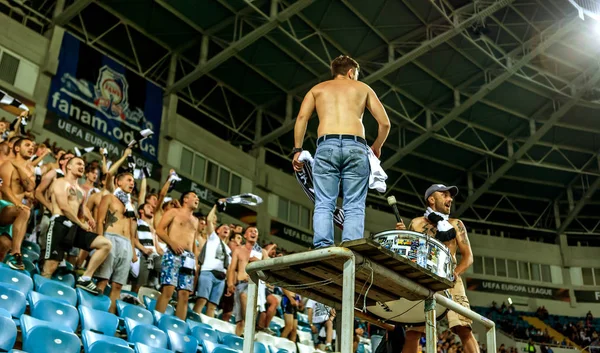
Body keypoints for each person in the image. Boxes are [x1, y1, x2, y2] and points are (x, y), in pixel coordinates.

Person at [292, 55, 391, 248]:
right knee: (354, 205)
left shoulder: (317, 89)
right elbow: (385, 123)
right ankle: (351, 248)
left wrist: (297, 149)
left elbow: (302, 118)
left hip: (326, 146)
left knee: (324, 203)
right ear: (351, 72)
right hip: (355, 146)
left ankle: (322, 247)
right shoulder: (363, 88)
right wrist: (376, 146)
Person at [400, 184, 477, 353]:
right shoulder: (417, 223)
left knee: (464, 328)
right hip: (423, 279)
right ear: (432, 199)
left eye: (450, 196)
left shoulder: (456, 224)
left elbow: (468, 257)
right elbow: (409, 252)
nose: (450, 199)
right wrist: (402, 235)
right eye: (445, 195)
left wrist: (455, 273)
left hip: (450, 279)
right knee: (413, 331)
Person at [41, 157, 112, 294]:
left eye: (84, 165)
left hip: (75, 227)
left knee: (105, 244)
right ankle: (41, 295)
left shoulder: (81, 191)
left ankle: (85, 278)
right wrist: (81, 223)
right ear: (69, 166)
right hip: (60, 224)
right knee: (50, 267)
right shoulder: (60, 182)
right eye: (79, 163)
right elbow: (64, 206)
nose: (82, 166)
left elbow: (82, 208)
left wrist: (89, 218)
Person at [95, 170, 138, 313]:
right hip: (110, 238)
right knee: (103, 280)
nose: (132, 183)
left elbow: (132, 231)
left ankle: (109, 318)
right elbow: (99, 221)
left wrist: (132, 250)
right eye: (128, 180)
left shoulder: (131, 206)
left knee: (118, 286)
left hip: (126, 244)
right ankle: (93, 313)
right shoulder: (108, 198)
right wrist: (100, 242)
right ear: (118, 182)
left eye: (133, 181)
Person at [155, 191, 201, 320]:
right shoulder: (173, 212)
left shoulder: (196, 220)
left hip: (189, 258)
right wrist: (172, 243)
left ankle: (178, 327)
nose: (197, 199)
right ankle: (157, 320)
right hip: (172, 253)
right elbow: (159, 230)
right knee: (168, 290)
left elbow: (194, 242)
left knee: (185, 295)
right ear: (185, 199)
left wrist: (195, 261)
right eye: (194, 196)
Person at [0, 138, 35, 269]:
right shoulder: (7, 164)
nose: (31, 148)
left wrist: (20, 167)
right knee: (25, 211)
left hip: (15, 215)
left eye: (32, 146)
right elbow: (3, 187)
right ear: (17, 148)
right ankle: (16, 252)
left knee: (3, 247)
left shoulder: (30, 170)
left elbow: (30, 187)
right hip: (3, 206)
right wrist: (17, 203)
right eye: (27, 145)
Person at [226, 226, 266, 336]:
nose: (253, 233)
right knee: (239, 321)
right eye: (251, 231)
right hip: (240, 284)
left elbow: (269, 270)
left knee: (244, 296)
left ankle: (251, 326)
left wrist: (259, 261)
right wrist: (230, 283)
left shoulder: (262, 252)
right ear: (245, 235)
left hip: (254, 285)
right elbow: (232, 268)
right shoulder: (238, 250)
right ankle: (238, 343)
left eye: (256, 231)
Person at [193, 204, 231, 318]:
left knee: (212, 306)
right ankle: (192, 320)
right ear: (217, 230)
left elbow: (228, 267)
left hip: (221, 278)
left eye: (228, 229)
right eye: (223, 227)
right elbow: (209, 219)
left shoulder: (228, 249)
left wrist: (228, 283)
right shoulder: (213, 238)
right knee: (202, 300)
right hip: (208, 272)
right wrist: (215, 206)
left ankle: (206, 329)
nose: (226, 229)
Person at [131, 202, 163, 293]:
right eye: (148, 207)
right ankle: (132, 299)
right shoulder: (136, 222)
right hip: (142, 254)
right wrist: (143, 249)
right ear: (141, 210)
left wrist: (166, 255)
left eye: (152, 207)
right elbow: (133, 238)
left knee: (165, 269)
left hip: (154, 256)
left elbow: (158, 247)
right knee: (138, 286)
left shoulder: (153, 229)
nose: (151, 209)